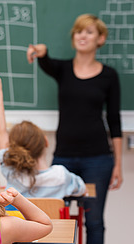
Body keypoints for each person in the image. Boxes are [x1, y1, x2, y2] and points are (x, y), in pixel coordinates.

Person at [26, 14, 122, 244]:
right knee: (56, 216)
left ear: (100, 39)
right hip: (64, 157)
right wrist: (41, 50)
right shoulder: (63, 69)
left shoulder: (109, 75)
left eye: (89, 32)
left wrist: (118, 164)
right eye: (79, 31)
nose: (82, 35)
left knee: (94, 221)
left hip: (98, 159)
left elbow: (115, 120)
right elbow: (45, 59)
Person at [0, 66, 86, 198]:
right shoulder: (61, 176)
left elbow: (0, 130)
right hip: (48, 219)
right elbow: (82, 189)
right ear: (45, 141)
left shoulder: (12, 172)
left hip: (17, 219)